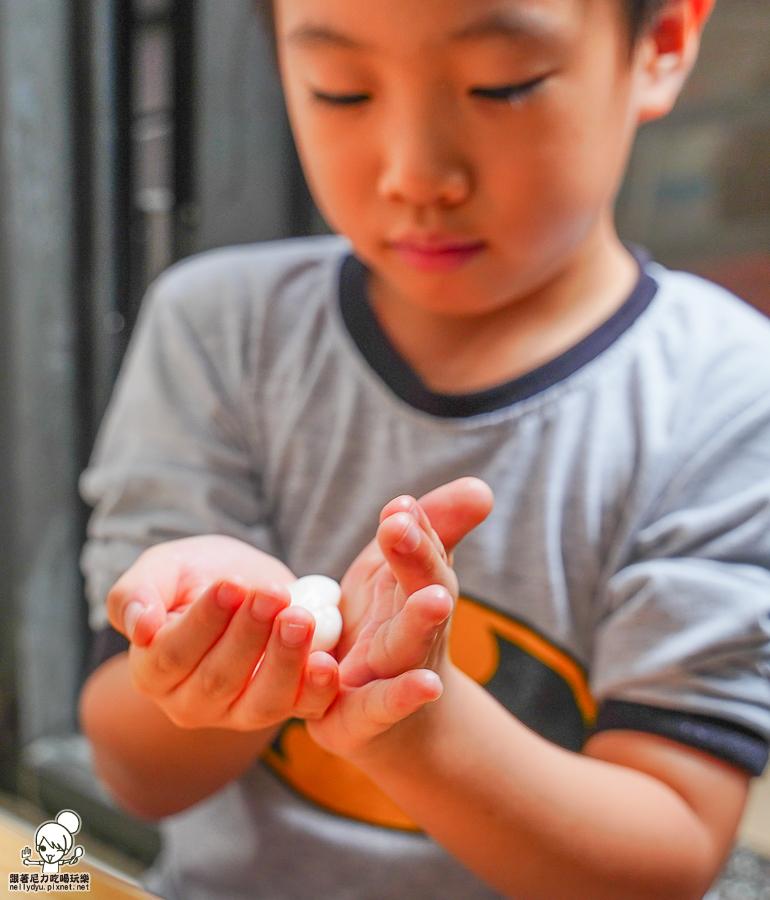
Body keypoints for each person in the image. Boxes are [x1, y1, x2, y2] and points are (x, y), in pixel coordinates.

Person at [78, 0, 770, 897]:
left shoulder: (727, 394)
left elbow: (666, 857)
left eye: (503, 86)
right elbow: (139, 775)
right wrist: (220, 647)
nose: (417, 174)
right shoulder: (219, 332)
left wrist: (414, 728)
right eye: (343, 91)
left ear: (664, 42)